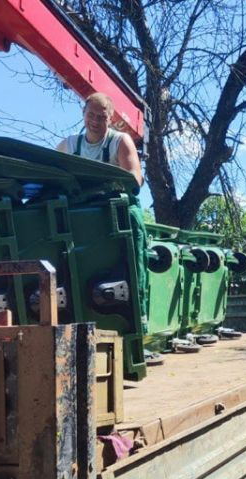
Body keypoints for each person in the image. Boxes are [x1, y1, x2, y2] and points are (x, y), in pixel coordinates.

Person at [58, 93, 150, 333]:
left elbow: (134, 180)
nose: (95, 121)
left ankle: (137, 325)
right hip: (80, 219)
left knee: (133, 263)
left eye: (101, 117)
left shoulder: (120, 142)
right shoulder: (68, 145)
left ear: (111, 119)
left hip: (115, 216)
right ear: (83, 114)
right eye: (91, 115)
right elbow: (52, 179)